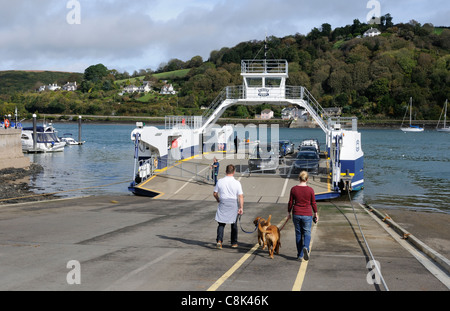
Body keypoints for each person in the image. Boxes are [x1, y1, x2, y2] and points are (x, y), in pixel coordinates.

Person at [287, 171, 318, 261]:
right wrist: (315, 213)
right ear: (307, 179)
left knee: (298, 234)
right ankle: (305, 247)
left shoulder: (293, 189)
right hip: (307, 214)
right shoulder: (310, 190)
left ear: (299, 178)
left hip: (296, 213)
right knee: (307, 232)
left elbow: (290, 202)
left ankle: (300, 255)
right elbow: (313, 203)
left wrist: (288, 212)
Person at [213, 164, 244, 249]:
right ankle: (234, 243)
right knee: (234, 224)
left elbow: (215, 193)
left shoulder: (220, 181)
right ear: (233, 172)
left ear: (226, 171)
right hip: (233, 204)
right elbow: (240, 196)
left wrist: (218, 199)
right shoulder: (237, 183)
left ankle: (219, 241)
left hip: (223, 202)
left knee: (221, 223)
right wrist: (241, 207)